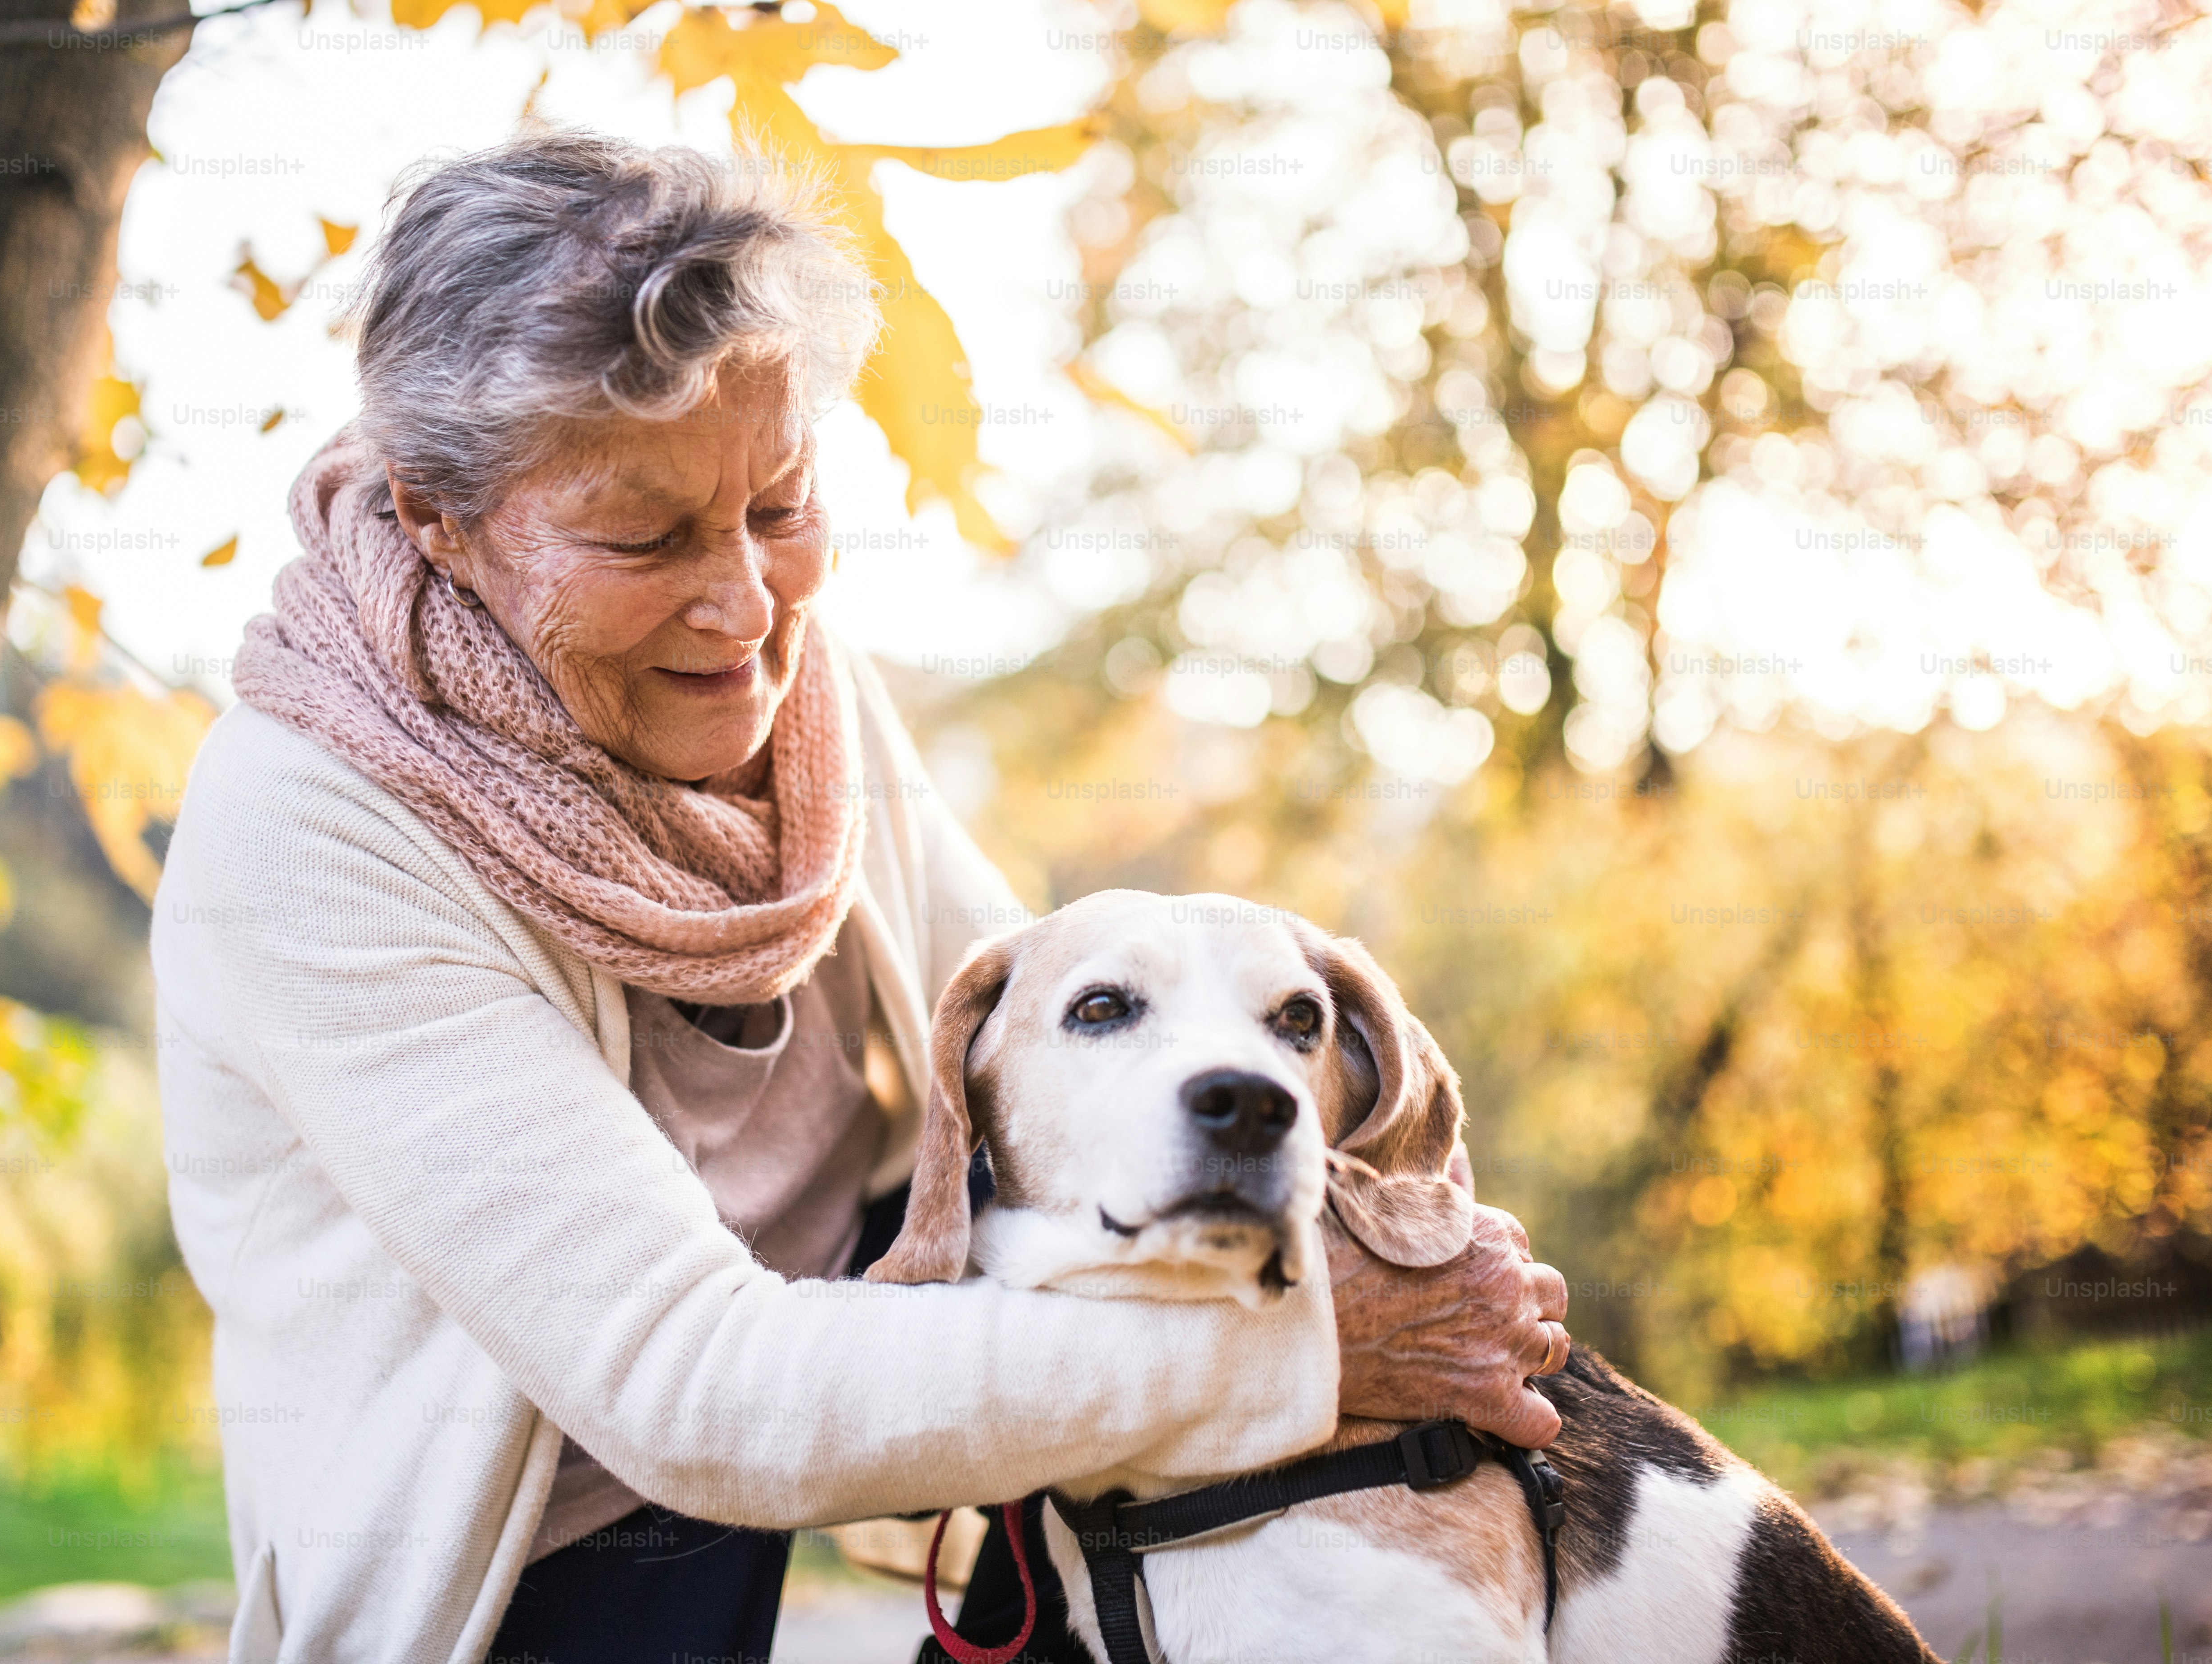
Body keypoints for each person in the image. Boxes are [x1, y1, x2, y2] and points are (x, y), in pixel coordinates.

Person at [151, 128, 1571, 1664]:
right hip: (553, 1550)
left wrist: (1380, 1260)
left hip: (870, 1343)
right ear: (442, 517)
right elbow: (698, 1387)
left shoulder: (777, 668)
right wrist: (1309, 1344)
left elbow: (1040, 1049)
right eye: (646, 538)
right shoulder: (307, 832)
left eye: (778, 504)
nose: (748, 609)